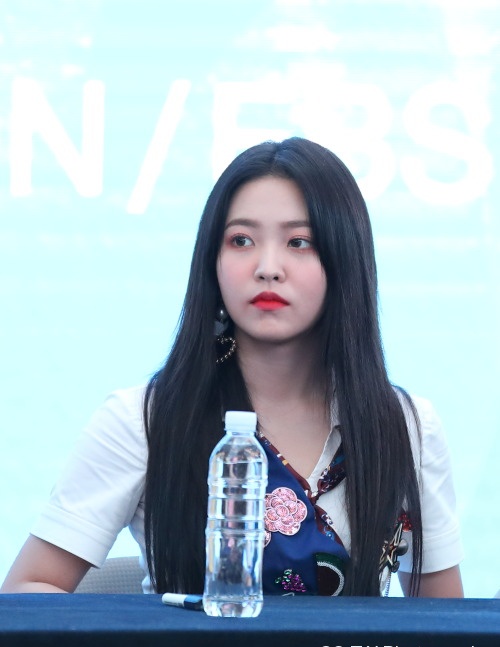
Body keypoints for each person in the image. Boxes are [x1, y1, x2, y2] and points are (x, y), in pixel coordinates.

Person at [1, 137, 464, 597]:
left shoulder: (405, 427)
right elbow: (28, 588)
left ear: (344, 261)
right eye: (241, 240)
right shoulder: (144, 419)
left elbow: (446, 621)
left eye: (299, 242)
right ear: (213, 262)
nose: (268, 268)